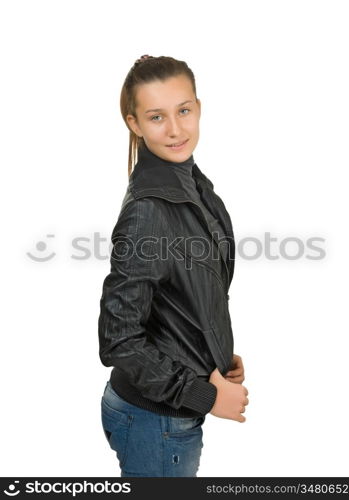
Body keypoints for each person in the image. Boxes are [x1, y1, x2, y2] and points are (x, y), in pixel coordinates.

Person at [98, 54, 249, 477]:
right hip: (155, 420)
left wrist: (212, 354)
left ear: (198, 108)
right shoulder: (149, 209)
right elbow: (119, 339)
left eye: (183, 111)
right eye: (156, 117)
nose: (176, 129)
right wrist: (203, 394)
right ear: (135, 124)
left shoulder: (190, 181)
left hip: (166, 414)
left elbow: (184, 289)